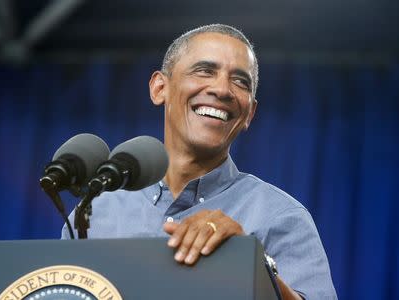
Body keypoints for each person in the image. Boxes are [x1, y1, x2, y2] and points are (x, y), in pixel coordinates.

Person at [62, 24, 337, 299]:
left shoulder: (280, 216)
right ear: (160, 88)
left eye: (241, 81)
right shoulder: (96, 214)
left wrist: (251, 261)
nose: (223, 89)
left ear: (250, 113)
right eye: (205, 70)